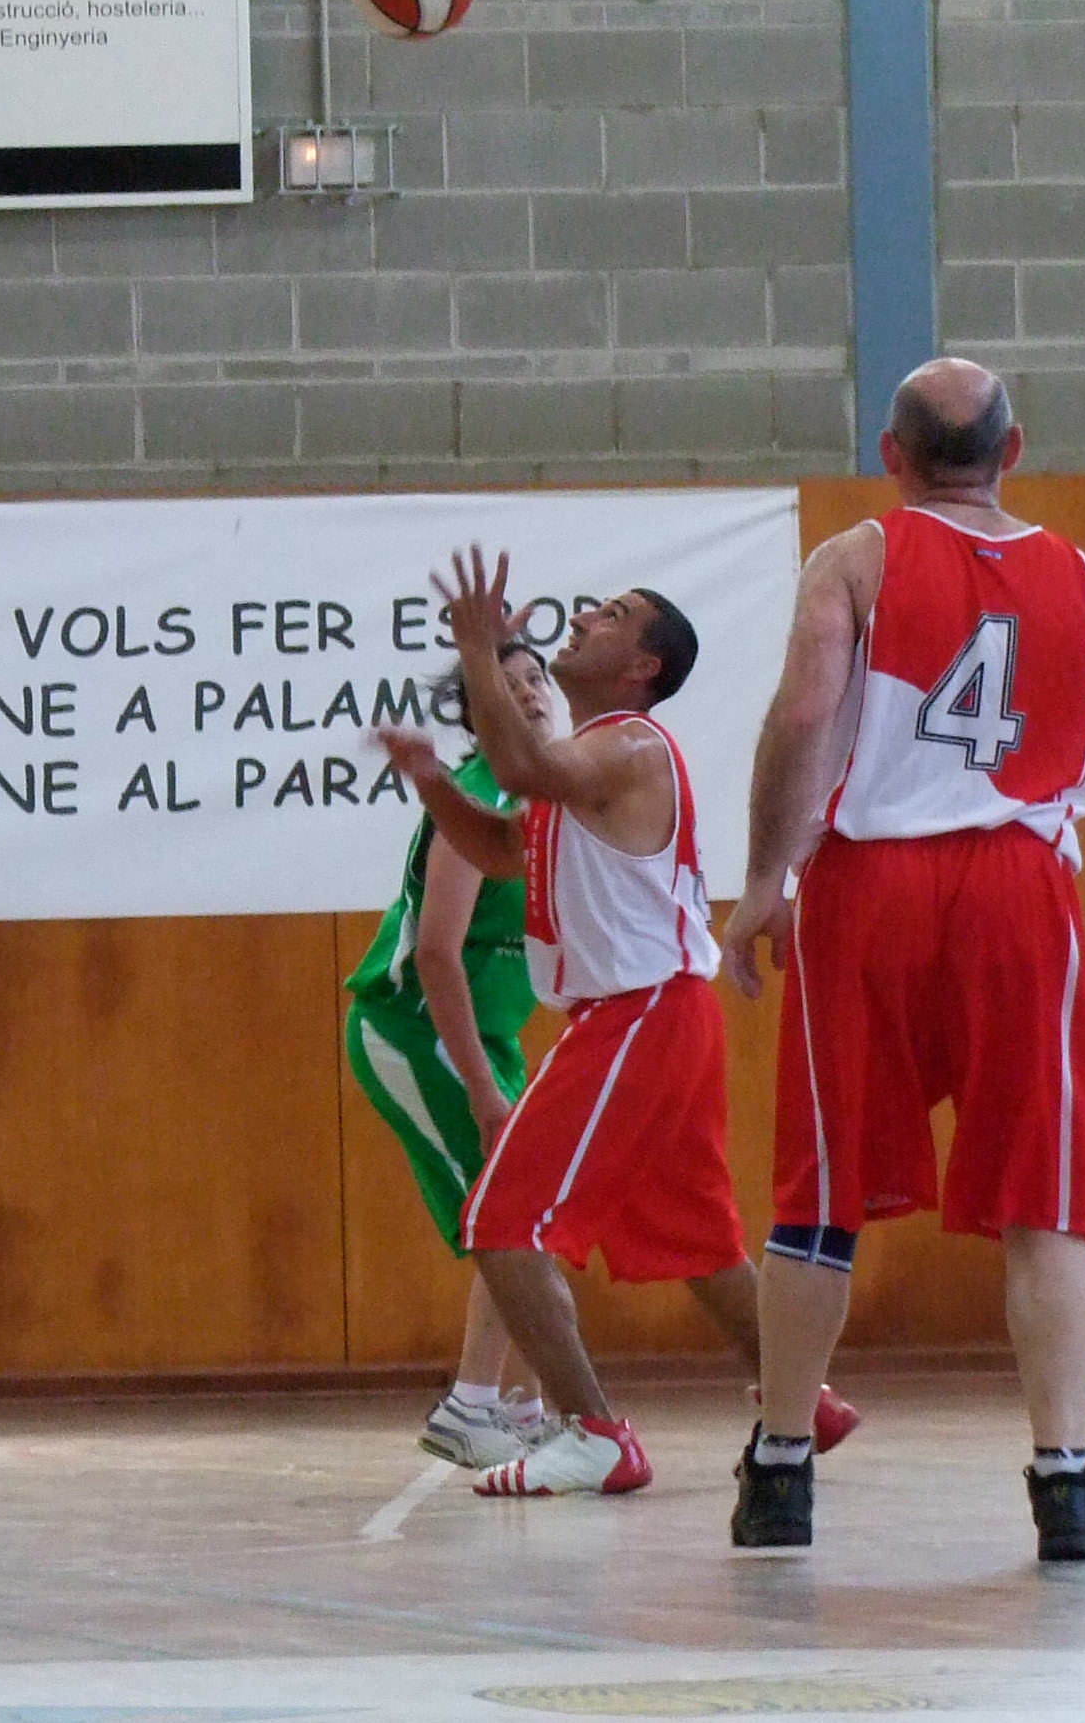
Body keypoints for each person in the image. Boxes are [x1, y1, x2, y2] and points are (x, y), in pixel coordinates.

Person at [718, 357, 1085, 1563]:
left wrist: (765, 879)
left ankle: (780, 1473)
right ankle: (1067, 1485)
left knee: (821, 1192)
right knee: (1043, 1196)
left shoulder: (855, 560)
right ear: (1014, 451)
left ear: (891, 456)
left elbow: (801, 717)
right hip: (1017, 892)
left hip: (868, 888)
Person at [378, 553, 853, 1497]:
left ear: (642, 665)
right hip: (658, 1017)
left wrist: (477, 651)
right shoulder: (589, 762)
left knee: (502, 1222)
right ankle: (806, 1401)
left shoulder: (628, 746)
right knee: (699, 1245)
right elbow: (503, 849)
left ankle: (596, 1435)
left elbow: (521, 764)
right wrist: (432, 781)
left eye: (614, 613)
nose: (586, 615)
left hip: (639, 1016)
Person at [349, 641, 560, 1468]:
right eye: (503, 688)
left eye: (535, 678)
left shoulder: (549, 794)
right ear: (476, 717)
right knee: (511, 1213)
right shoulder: (476, 797)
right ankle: (470, 1406)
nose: (529, 694)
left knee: (531, 1211)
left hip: (486, 1032)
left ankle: (528, 1406)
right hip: (414, 1028)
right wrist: (480, 1087)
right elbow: (437, 954)